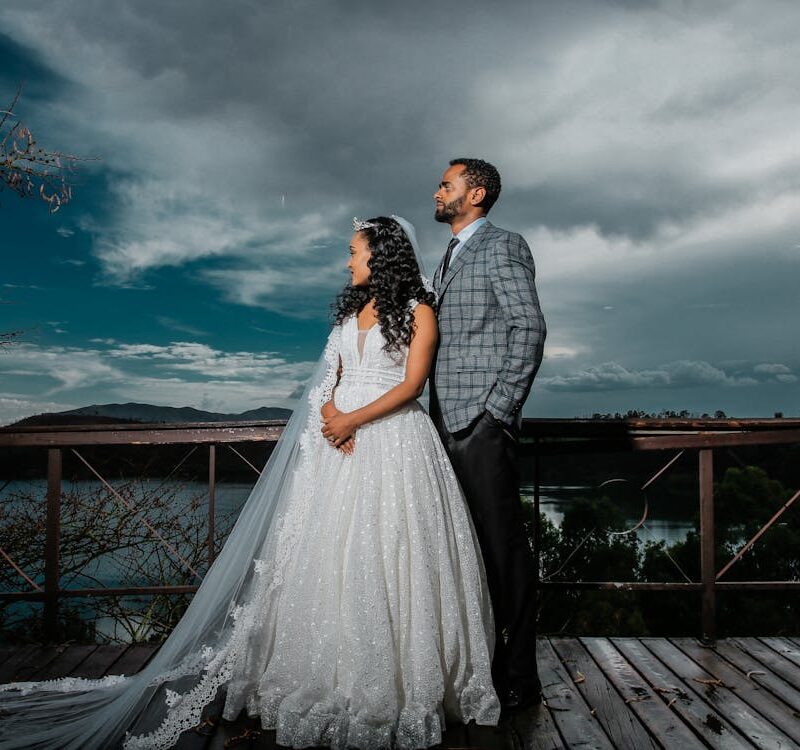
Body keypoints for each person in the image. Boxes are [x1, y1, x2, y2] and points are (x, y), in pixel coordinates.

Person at [0, 216, 500, 750]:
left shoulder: (419, 310)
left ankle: (393, 682)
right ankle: (321, 671)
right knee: (326, 554)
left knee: (390, 550)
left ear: (380, 255)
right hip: (336, 443)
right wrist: (333, 414)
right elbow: (326, 380)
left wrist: (353, 420)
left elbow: (413, 383)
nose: (347, 261)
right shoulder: (351, 312)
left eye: (354, 251)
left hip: (393, 443)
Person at [429, 159, 546, 712]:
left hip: (479, 422)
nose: (437, 190)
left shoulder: (504, 245)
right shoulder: (449, 254)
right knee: (461, 550)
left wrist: (498, 409)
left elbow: (529, 325)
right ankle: (475, 665)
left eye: (446, 184)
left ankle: (521, 677)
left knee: (502, 551)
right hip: (438, 422)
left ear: (474, 193)